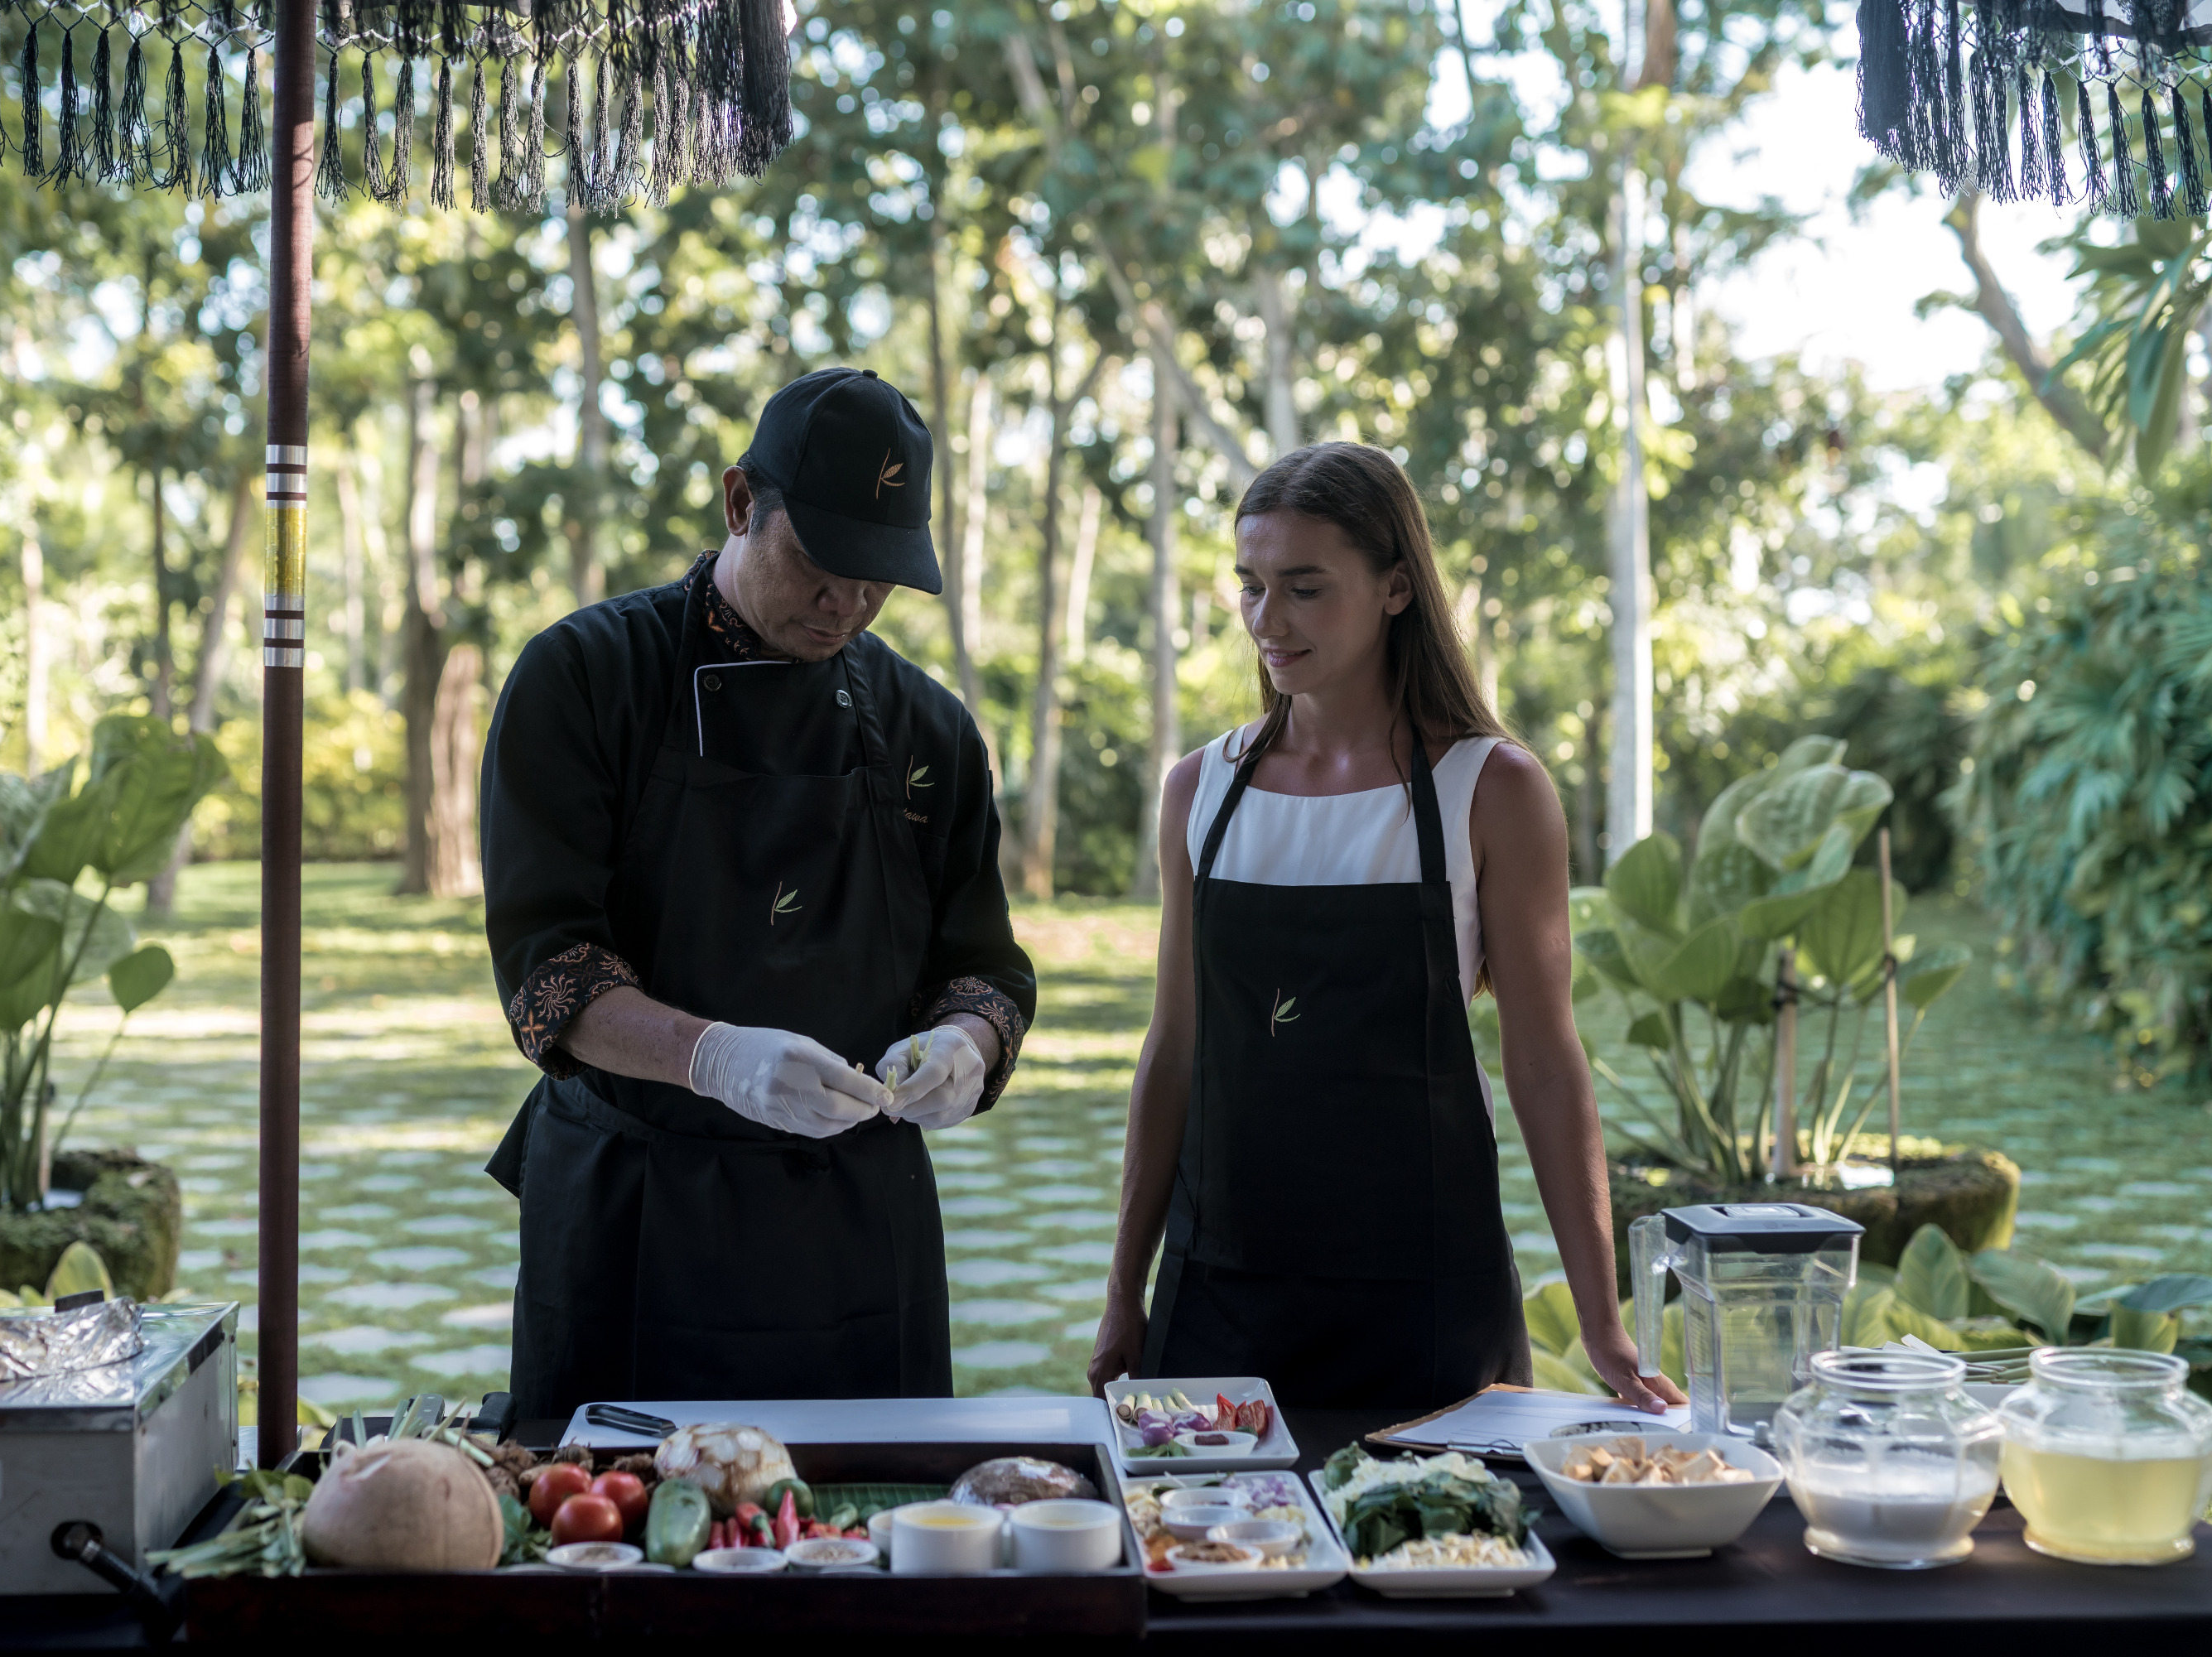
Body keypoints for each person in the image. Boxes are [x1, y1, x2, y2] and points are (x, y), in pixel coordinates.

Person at [481, 367, 1034, 1418]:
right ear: (742, 503)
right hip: (636, 1213)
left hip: (857, 1224)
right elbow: (550, 974)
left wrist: (970, 1044)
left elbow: (985, 968)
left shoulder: (931, 732)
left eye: (880, 578)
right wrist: (715, 1056)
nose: (849, 603)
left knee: (864, 1543)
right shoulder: (585, 679)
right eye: (823, 563)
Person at [1087, 442, 1681, 1417]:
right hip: (1216, 1295)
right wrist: (1124, 1290)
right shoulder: (1201, 791)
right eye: (1251, 587)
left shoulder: (1491, 790)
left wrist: (1602, 1323)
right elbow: (1176, 1049)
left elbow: (1545, 1064)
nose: (1267, 623)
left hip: (1427, 1301)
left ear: (1397, 587)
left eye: (1305, 589)